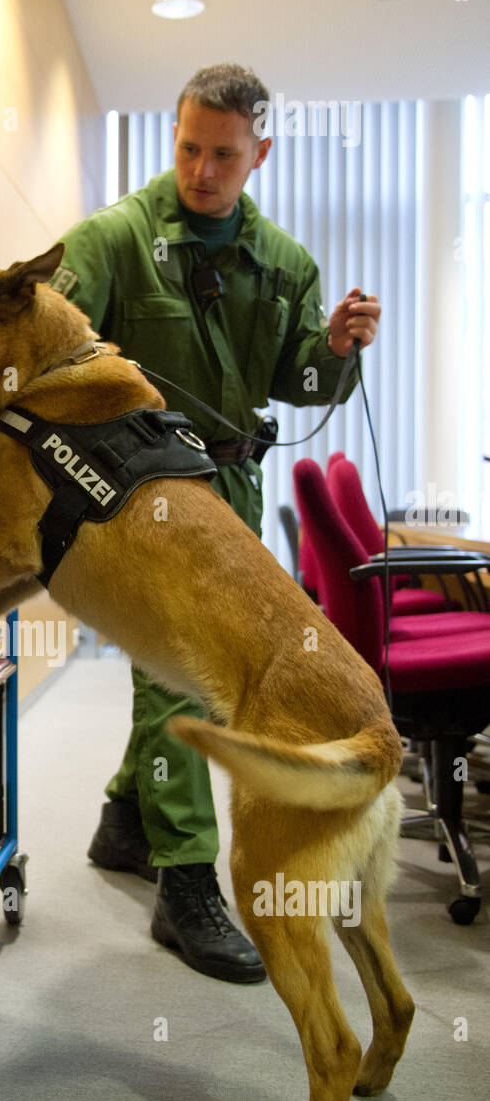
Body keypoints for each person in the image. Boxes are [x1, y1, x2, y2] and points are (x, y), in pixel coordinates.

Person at [50, 63, 380, 984]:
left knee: (197, 672)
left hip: (230, 499)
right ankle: (186, 881)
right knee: (190, 682)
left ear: (260, 153)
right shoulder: (116, 239)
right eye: (190, 147)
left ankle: (126, 816)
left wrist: (338, 352)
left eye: (224, 154)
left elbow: (298, 383)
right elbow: (47, 336)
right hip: (145, 505)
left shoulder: (283, 264)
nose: (202, 169)